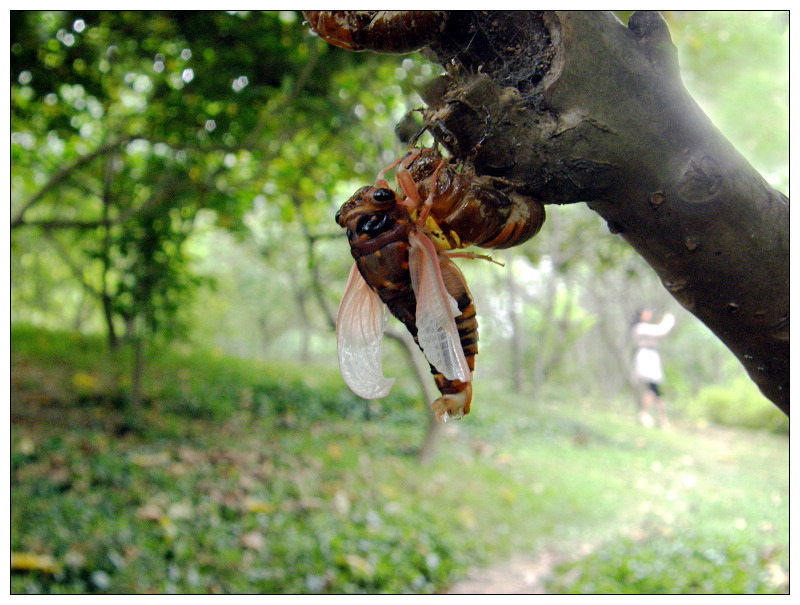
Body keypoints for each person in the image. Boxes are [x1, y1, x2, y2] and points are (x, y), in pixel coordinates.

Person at [631, 308, 675, 428]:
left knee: (654, 389)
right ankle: (648, 415)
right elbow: (661, 330)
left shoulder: (646, 327)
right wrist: (668, 319)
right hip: (646, 357)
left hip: (652, 357)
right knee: (653, 388)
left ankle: (659, 418)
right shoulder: (640, 327)